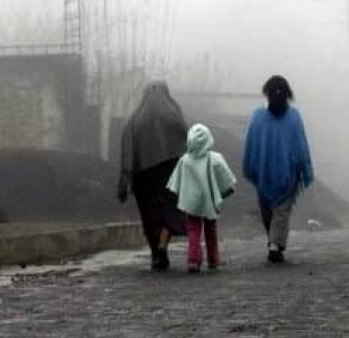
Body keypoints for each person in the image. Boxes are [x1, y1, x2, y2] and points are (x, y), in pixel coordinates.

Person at [242, 75, 314, 263]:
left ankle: (274, 243)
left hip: (263, 174)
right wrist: (302, 168)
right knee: (281, 212)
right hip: (287, 175)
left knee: (268, 211)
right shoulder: (293, 116)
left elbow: (250, 144)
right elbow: (300, 146)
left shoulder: (258, 116)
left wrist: (253, 166)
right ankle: (275, 244)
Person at [117, 80, 187, 271]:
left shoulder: (135, 119)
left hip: (143, 177)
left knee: (150, 217)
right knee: (169, 214)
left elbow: (127, 150)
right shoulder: (174, 114)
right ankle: (163, 247)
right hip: (170, 173)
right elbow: (188, 143)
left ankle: (156, 253)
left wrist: (124, 181)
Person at [167, 123, 237, 273]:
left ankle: (193, 260)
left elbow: (175, 184)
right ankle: (213, 259)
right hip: (210, 201)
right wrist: (223, 194)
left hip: (191, 203)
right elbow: (228, 182)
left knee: (193, 230)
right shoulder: (215, 159)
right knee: (211, 230)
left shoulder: (185, 161)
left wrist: (182, 196)